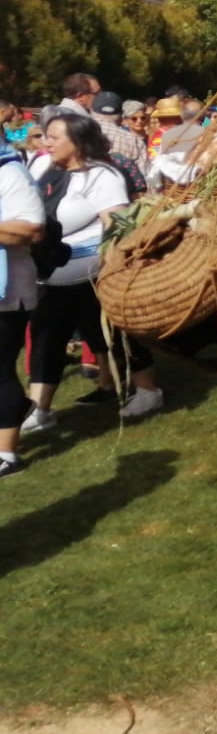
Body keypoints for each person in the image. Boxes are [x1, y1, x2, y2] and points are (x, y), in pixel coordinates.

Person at [20, 117, 163, 434]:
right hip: (47, 276)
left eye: (55, 136)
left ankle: (148, 391)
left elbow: (117, 226)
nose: (47, 141)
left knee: (115, 337)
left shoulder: (102, 175)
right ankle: (40, 409)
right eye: (46, 135)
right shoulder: (41, 167)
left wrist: (115, 269)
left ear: (78, 141)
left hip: (92, 275)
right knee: (46, 341)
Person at [0, 135, 44, 478]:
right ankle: (17, 409)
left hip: (8, 291)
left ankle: (7, 454)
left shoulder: (9, 172)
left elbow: (30, 228)